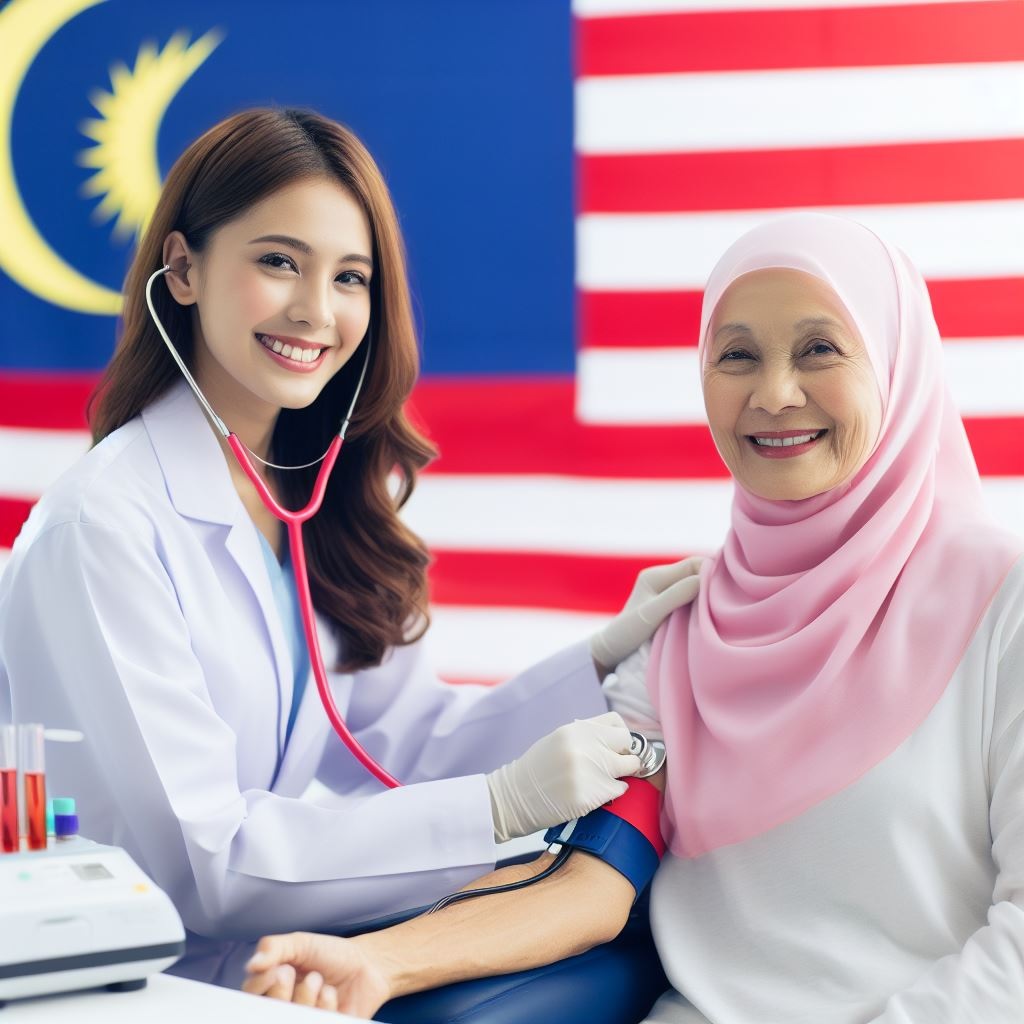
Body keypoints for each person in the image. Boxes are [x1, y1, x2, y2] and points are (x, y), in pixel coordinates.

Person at [243, 212, 1024, 1022]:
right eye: (737, 355)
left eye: (820, 349)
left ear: (896, 365)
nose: (774, 393)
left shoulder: (1004, 605)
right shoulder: (686, 628)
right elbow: (593, 882)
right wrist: (374, 964)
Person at [0, 108, 699, 987]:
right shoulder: (101, 528)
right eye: (278, 261)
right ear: (182, 269)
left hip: (273, 975)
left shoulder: (295, 500)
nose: (315, 310)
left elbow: (405, 745)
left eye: (350, 277)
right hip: (124, 991)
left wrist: (600, 661)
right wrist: (500, 805)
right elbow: (197, 860)